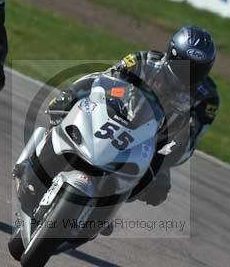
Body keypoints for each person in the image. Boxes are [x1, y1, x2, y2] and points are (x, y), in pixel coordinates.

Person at [46, 25, 219, 207]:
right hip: (115, 116)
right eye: (183, 64)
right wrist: (73, 96)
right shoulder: (144, 61)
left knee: (159, 188)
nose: (188, 73)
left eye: (197, 69)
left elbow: (191, 139)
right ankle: (38, 156)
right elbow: (102, 79)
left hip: (154, 143)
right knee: (70, 111)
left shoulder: (207, 97)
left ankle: (103, 211)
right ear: (172, 54)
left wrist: (167, 160)